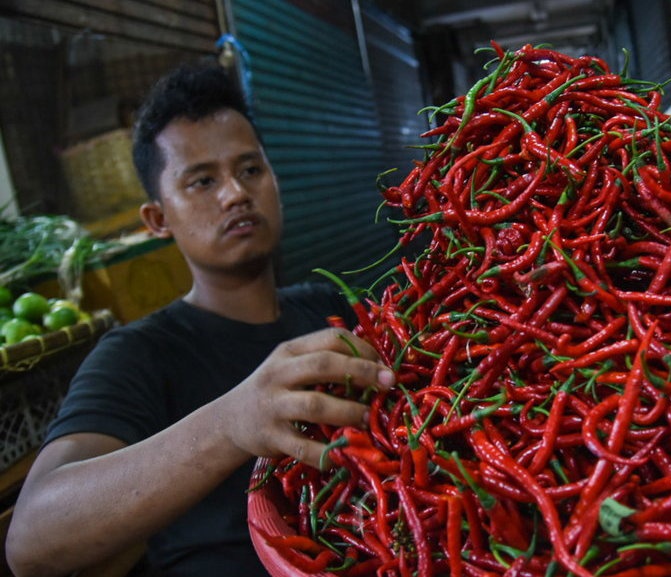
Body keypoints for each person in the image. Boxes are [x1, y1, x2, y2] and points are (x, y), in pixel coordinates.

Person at [4, 61, 395, 577]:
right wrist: (231, 423)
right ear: (158, 219)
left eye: (250, 169)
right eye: (202, 180)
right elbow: (30, 539)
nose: (235, 193)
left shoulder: (327, 308)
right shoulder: (139, 352)